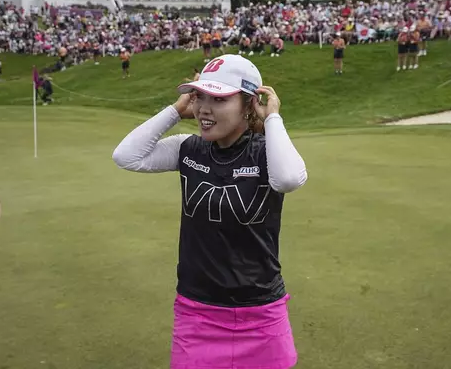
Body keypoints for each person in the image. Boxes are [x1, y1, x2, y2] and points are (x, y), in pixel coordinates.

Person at [111, 54, 307, 369]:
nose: (203, 107)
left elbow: (287, 179)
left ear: (248, 104)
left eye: (218, 98)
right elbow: (127, 156)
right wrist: (175, 110)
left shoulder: (266, 153)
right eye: (200, 95)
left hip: (261, 312)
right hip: (197, 311)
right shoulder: (187, 149)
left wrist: (271, 118)